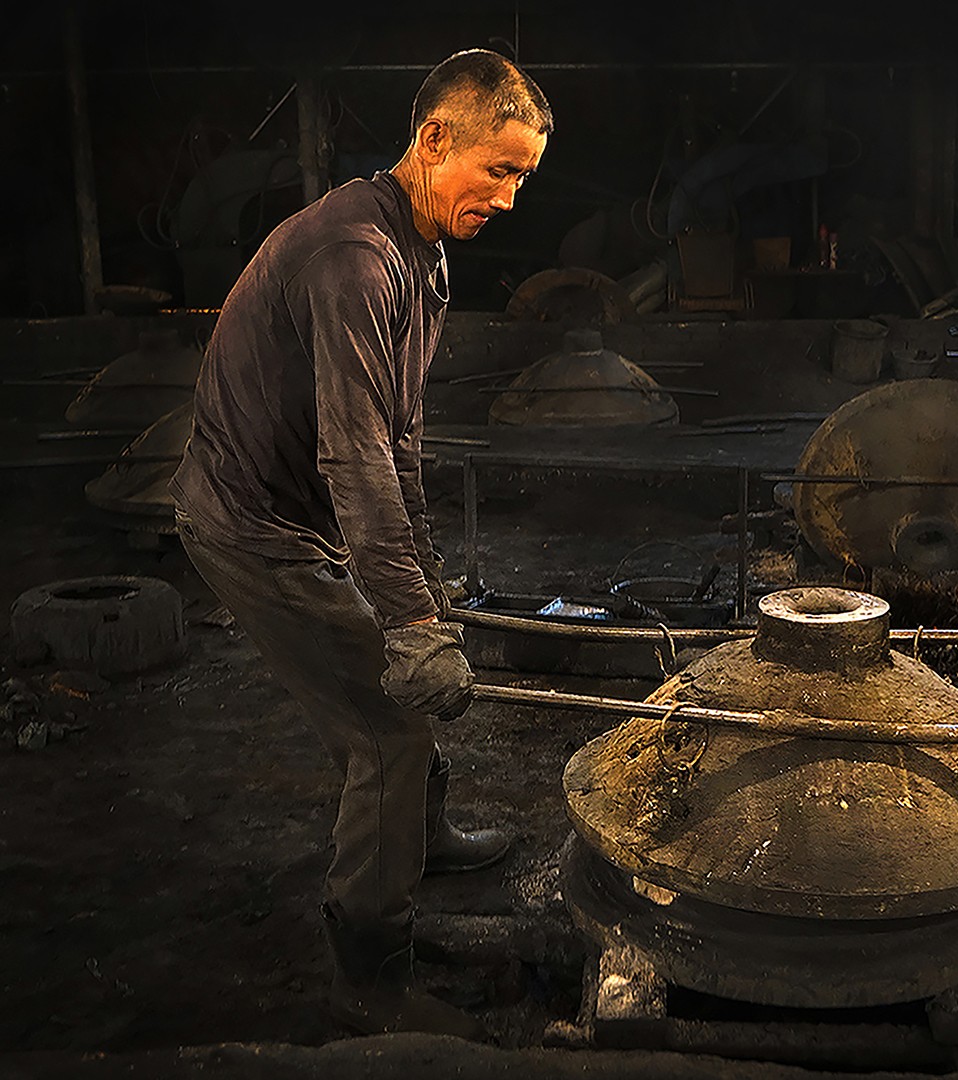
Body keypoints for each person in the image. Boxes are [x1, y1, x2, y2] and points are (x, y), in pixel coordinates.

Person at [170, 50, 553, 1042]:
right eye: (499, 171)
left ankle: (423, 840)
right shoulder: (354, 256)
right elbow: (354, 454)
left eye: (523, 178)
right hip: (251, 527)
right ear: (434, 139)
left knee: (401, 678)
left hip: (307, 512)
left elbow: (399, 437)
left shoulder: (422, 253)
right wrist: (412, 623)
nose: (510, 199)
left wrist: (421, 589)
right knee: (386, 732)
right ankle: (369, 976)